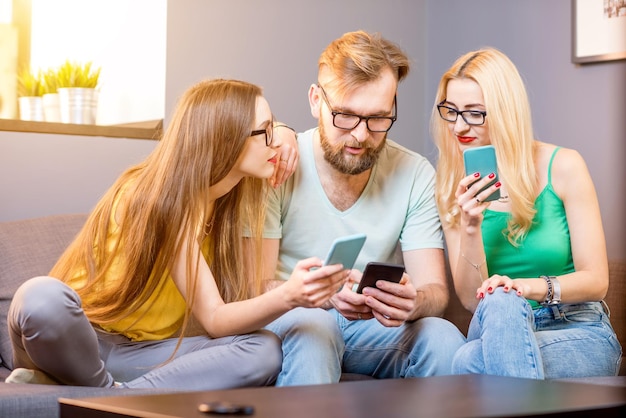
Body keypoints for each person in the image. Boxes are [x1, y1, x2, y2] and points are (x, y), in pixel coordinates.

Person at [5, 78, 349, 389]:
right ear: (225, 139)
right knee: (41, 296)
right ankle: (105, 391)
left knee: (263, 349)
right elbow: (214, 318)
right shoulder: (156, 196)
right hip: (86, 338)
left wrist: (283, 132)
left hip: (142, 354)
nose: (276, 143)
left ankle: (106, 394)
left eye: (274, 128)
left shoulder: (231, 202)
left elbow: (229, 313)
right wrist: (290, 294)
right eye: (267, 131)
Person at [262, 30, 466, 386]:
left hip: (371, 328)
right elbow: (251, 286)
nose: (359, 135)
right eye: (344, 115)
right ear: (316, 101)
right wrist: (318, 296)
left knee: (443, 337)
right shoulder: (279, 164)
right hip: (295, 318)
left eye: (377, 119)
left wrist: (412, 302)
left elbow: (434, 290)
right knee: (317, 327)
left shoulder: (414, 173)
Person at [431, 47, 622, 379]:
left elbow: (597, 281)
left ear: (505, 112)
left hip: (577, 328)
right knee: (499, 303)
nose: (459, 125)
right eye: (451, 110)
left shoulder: (563, 166)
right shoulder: (451, 184)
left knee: (466, 360)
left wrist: (522, 288)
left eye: (475, 113)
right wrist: (471, 226)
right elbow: (471, 301)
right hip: (499, 324)